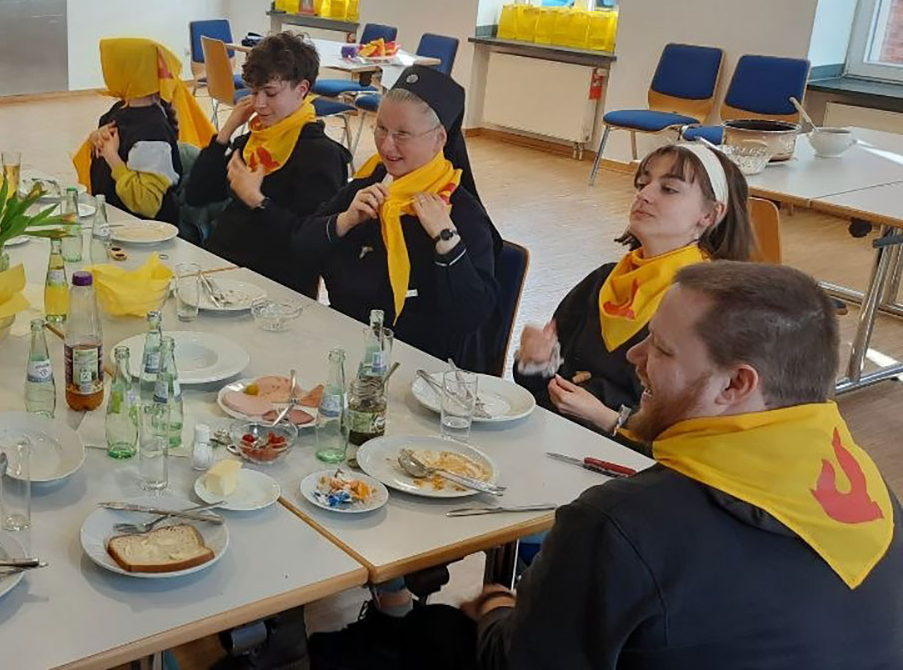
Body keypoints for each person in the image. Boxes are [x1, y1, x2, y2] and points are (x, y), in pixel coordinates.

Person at [466, 262, 903, 667]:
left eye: (660, 348)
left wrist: (496, 606)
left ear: (735, 383)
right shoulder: (872, 490)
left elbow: (513, 661)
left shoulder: (617, 524)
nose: (635, 357)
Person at [513, 143, 755, 434]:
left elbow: (693, 435)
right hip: (556, 433)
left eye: (668, 189)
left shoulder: (712, 306)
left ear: (710, 215)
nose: (644, 195)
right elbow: (541, 388)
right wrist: (535, 362)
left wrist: (609, 420)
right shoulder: (604, 280)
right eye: (642, 184)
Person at [294, 65, 501, 369]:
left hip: (417, 367)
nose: (386, 145)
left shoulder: (460, 212)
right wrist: (345, 221)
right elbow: (298, 246)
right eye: (380, 129)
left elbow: (471, 317)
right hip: (343, 344)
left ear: (439, 138)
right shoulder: (369, 186)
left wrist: (447, 240)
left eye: (402, 134)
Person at [184, 31, 351, 296]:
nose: (259, 104)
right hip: (223, 268)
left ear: (302, 89)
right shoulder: (255, 139)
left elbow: (310, 243)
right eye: (254, 92)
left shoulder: (321, 155)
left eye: (271, 93)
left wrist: (257, 200)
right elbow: (197, 195)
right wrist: (226, 131)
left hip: (274, 286)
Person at [74, 37, 215, 226]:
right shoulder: (121, 109)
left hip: (144, 231)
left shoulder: (152, 131)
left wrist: (112, 157)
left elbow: (147, 203)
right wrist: (95, 138)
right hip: (114, 218)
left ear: (127, 73)